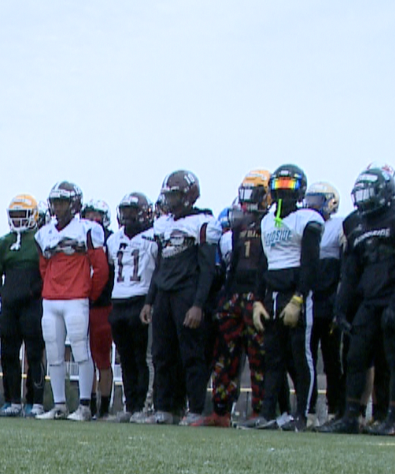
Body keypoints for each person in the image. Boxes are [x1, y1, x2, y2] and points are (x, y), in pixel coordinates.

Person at [322, 168, 395, 435]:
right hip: (368, 301)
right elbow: (351, 273)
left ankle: (394, 418)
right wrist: (341, 309)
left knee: (393, 360)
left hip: (393, 299)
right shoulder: (357, 224)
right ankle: (352, 415)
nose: (365, 199)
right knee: (355, 358)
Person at [244, 164, 323, 431]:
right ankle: (268, 413)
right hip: (272, 295)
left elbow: (310, 263)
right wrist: (257, 300)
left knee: (301, 357)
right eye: (279, 187)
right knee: (273, 358)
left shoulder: (307, 218)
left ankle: (304, 414)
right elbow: (262, 264)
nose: (283, 193)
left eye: (289, 187)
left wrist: (299, 299)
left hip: (296, 293)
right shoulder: (267, 220)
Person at [140, 170, 217, 425]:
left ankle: (195, 408)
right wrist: (149, 300)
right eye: (168, 195)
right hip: (164, 293)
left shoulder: (203, 222)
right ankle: (165, 407)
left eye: (175, 195)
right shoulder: (162, 224)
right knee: (162, 354)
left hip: (187, 293)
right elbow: (160, 264)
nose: (170, 201)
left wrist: (198, 304)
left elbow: (207, 268)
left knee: (191, 354)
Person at [199, 171, 271, 427]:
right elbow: (235, 263)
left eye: (254, 193)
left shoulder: (273, 223)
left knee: (258, 356)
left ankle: (260, 412)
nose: (247, 199)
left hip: (256, 296)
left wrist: (261, 297)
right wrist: (225, 296)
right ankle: (221, 411)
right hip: (234, 296)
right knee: (224, 356)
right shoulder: (239, 224)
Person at [35, 181, 109, 421]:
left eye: (63, 202)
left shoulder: (87, 229)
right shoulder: (44, 232)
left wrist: (88, 292)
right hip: (51, 299)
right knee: (54, 353)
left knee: (80, 350)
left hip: (76, 297)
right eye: (56, 202)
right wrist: (52, 288)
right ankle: (59, 405)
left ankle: (85, 406)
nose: (58, 207)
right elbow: (44, 266)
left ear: (74, 204)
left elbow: (101, 268)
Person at [0, 194, 45, 418]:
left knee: (34, 353)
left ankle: (35, 401)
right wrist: (3, 292)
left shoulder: (41, 239)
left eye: (21, 215)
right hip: (10, 307)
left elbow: (46, 271)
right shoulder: (4, 242)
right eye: (13, 215)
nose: (17, 220)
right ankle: (12, 400)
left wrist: (35, 291)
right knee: (8, 354)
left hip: (33, 306)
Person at [105, 193, 157, 422]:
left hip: (141, 298)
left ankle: (144, 405)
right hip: (119, 300)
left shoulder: (154, 237)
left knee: (142, 357)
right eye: (125, 211)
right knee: (125, 358)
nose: (128, 216)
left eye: (132, 211)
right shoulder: (113, 240)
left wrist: (150, 302)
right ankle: (130, 404)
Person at [302, 182, 345, 421]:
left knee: (331, 360)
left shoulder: (338, 226)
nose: (312, 205)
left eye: (317, 200)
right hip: (309, 298)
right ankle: (307, 410)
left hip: (329, 300)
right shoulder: (305, 223)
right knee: (307, 357)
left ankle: (334, 409)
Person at [81, 199, 116, 419]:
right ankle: (88, 404)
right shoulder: (78, 237)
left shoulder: (112, 240)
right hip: (79, 302)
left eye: (98, 215)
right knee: (83, 357)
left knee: (101, 357)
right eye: (90, 215)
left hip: (103, 304)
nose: (94, 219)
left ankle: (103, 407)